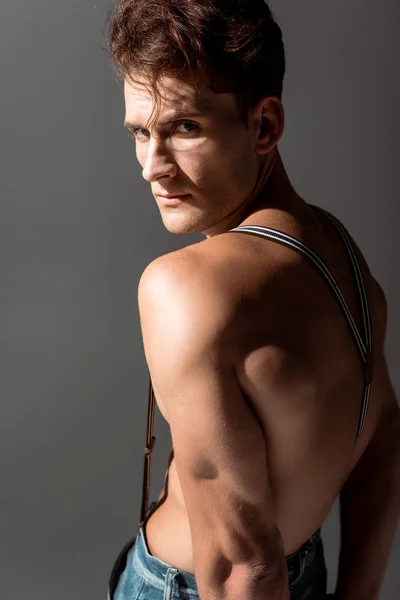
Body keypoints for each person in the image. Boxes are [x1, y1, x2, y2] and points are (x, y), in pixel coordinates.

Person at [107, 1, 400, 598]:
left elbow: (246, 568)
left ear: (264, 126)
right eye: (141, 132)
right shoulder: (337, 248)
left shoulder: (184, 287)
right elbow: (385, 441)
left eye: (184, 128)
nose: (152, 168)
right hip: (306, 576)